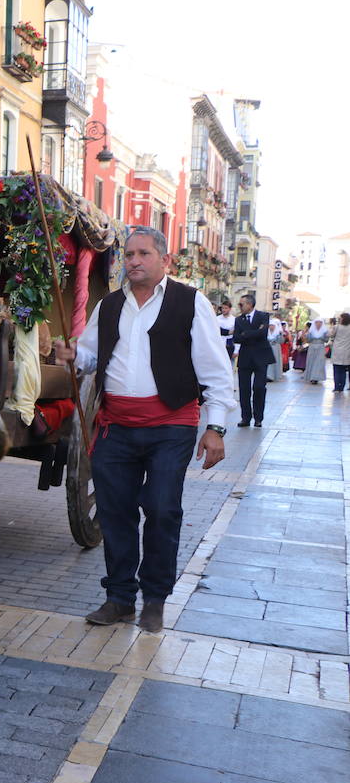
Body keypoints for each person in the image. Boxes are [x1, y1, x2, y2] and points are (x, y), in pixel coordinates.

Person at [53, 228, 233, 634]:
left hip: (172, 424)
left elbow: (214, 368)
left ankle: (154, 599)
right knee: (115, 514)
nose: (134, 260)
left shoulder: (191, 302)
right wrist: (72, 353)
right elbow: (90, 354)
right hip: (117, 426)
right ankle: (119, 598)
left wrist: (216, 426)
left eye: (144, 253)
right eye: (130, 254)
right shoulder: (111, 304)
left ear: (164, 260)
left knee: (162, 509)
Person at [232, 294, 275, 427]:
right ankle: (245, 417)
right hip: (245, 357)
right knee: (244, 389)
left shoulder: (263, 316)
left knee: (259, 387)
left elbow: (263, 333)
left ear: (250, 304)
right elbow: (236, 338)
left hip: (261, 357)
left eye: (242, 304)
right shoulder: (239, 320)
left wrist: (246, 333)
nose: (240, 306)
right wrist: (253, 332)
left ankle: (258, 418)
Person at [303, 318, 329, 384]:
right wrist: (307, 336)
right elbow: (308, 340)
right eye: (317, 322)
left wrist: (323, 337)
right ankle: (311, 376)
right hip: (312, 347)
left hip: (320, 347)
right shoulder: (311, 331)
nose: (318, 324)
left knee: (319, 362)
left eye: (320, 322)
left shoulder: (325, 331)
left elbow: (326, 340)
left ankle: (316, 377)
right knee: (311, 361)